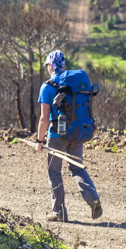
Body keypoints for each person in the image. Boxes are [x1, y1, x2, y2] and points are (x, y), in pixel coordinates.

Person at [35, 50, 102, 222]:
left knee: (54, 171)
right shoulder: (75, 83)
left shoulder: (47, 86)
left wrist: (39, 141)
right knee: (77, 167)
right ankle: (92, 198)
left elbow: (43, 119)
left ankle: (59, 212)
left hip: (57, 135)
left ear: (50, 65)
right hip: (77, 131)